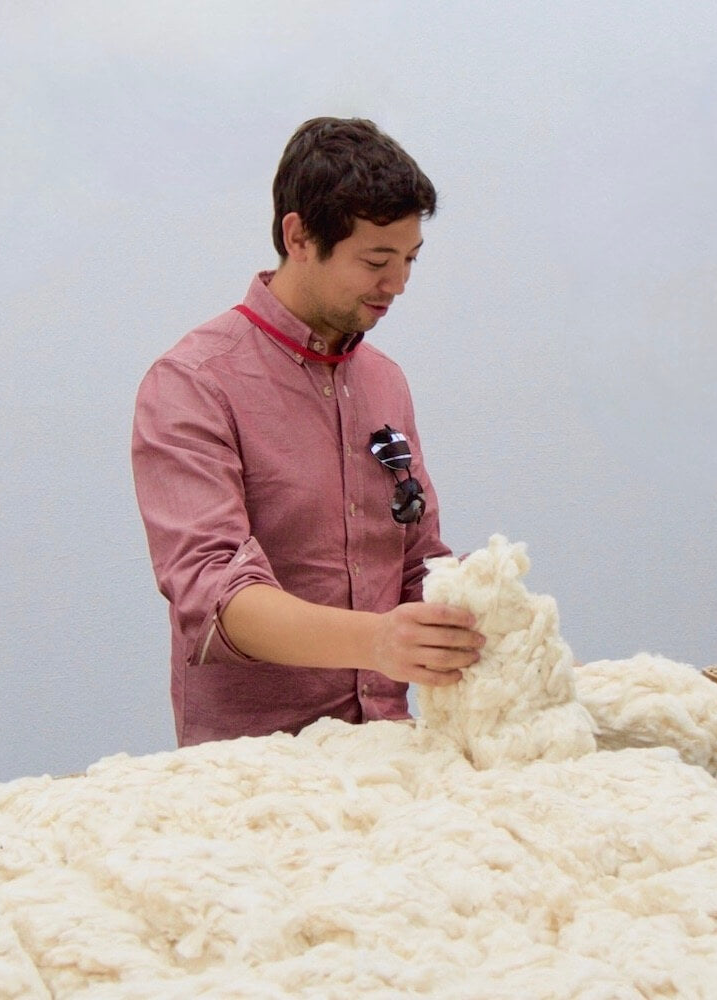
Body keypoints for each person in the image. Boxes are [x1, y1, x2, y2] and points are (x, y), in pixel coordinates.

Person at [132, 117, 484, 745]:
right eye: (376, 260)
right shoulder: (193, 383)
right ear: (298, 236)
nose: (398, 284)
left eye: (409, 259)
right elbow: (214, 595)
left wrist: (486, 613)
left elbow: (417, 561)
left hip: (387, 748)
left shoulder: (385, 381)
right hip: (251, 767)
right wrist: (377, 640)